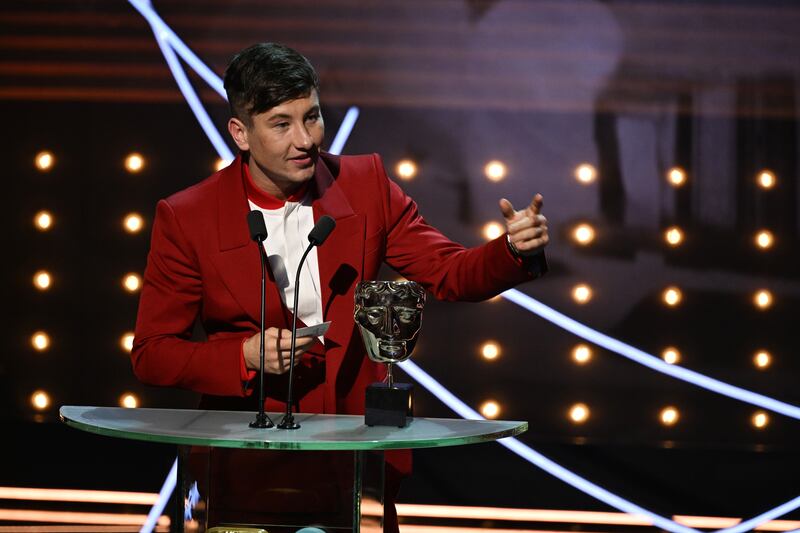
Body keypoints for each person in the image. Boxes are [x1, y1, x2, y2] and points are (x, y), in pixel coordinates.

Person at [132, 42, 549, 533]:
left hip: (357, 461)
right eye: (282, 124)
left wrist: (513, 250)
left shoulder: (365, 184)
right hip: (245, 463)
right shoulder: (189, 216)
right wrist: (242, 356)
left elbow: (451, 272)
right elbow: (152, 354)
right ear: (240, 134)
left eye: (312, 117)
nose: (306, 140)